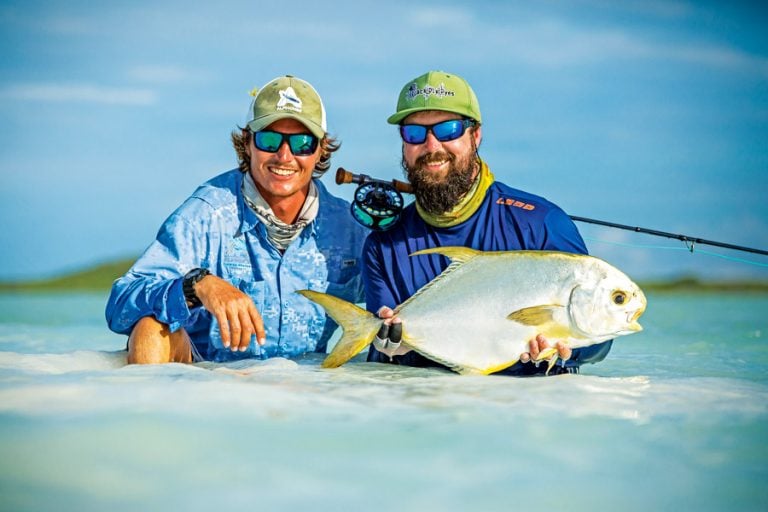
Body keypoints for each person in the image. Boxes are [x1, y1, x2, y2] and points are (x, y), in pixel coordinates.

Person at [364, 70, 612, 375]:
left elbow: (599, 342)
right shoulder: (384, 244)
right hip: (426, 414)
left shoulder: (544, 223)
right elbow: (384, 354)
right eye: (414, 133)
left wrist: (568, 349)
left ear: (475, 134)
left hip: (525, 413)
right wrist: (389, 344)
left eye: (448, 130)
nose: (431, 146)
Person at [106, 75, 366, 364]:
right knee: (150, 329)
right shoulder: (206, 214)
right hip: (212, 384)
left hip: (308, 387)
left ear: (320, 150)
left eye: (302, 143)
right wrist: (197, 285)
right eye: (269, 139)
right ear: (248, 143)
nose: (284, 155)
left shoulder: (350, 227)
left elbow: (398, 301)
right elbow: (120, 304)